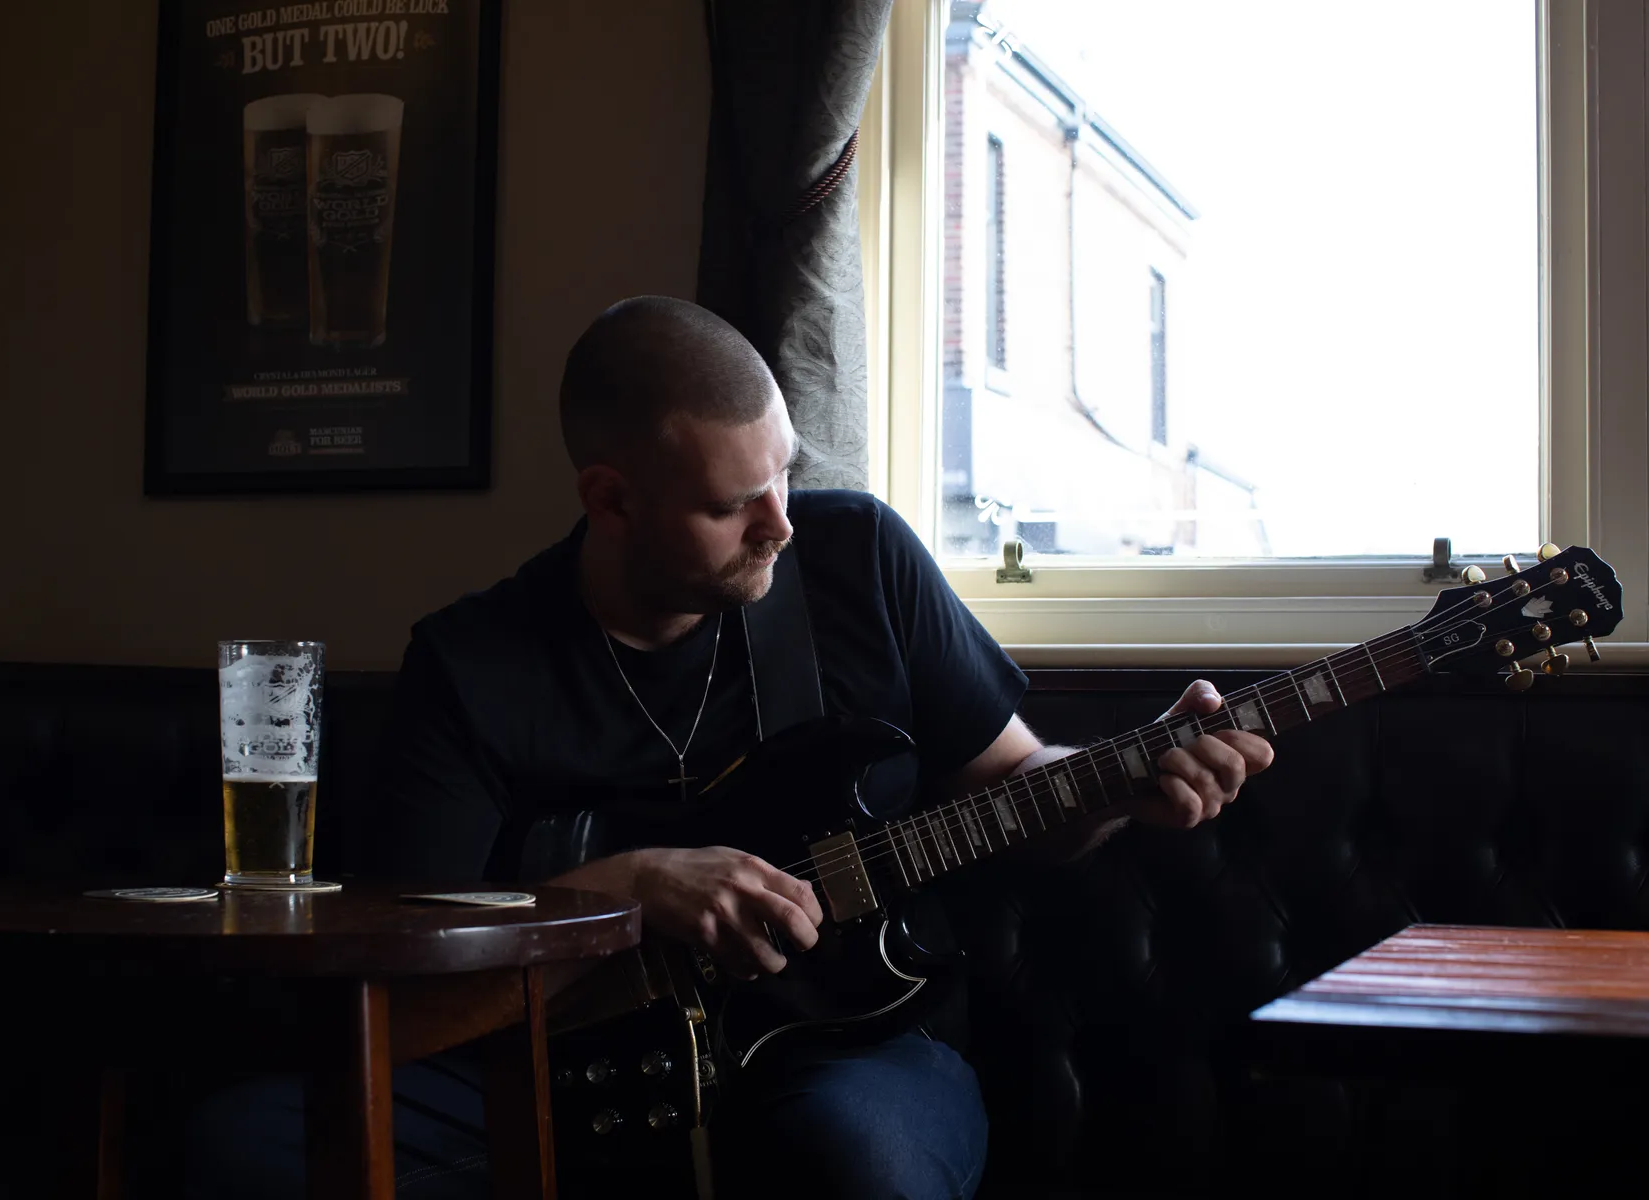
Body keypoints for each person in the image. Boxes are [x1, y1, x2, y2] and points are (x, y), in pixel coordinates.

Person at [186, 296, 1273, 1199]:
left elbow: (1014, 786)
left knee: (855, 1168)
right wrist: (615, 890)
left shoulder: (860, 560)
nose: (780, 524)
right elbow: (408, 951)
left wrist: (1128, 777)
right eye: (731, 505)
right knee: (236, 1147)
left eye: (783, 476)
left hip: (852, 1048)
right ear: (610, 499)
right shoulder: (475, 661)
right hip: (548, 1067)